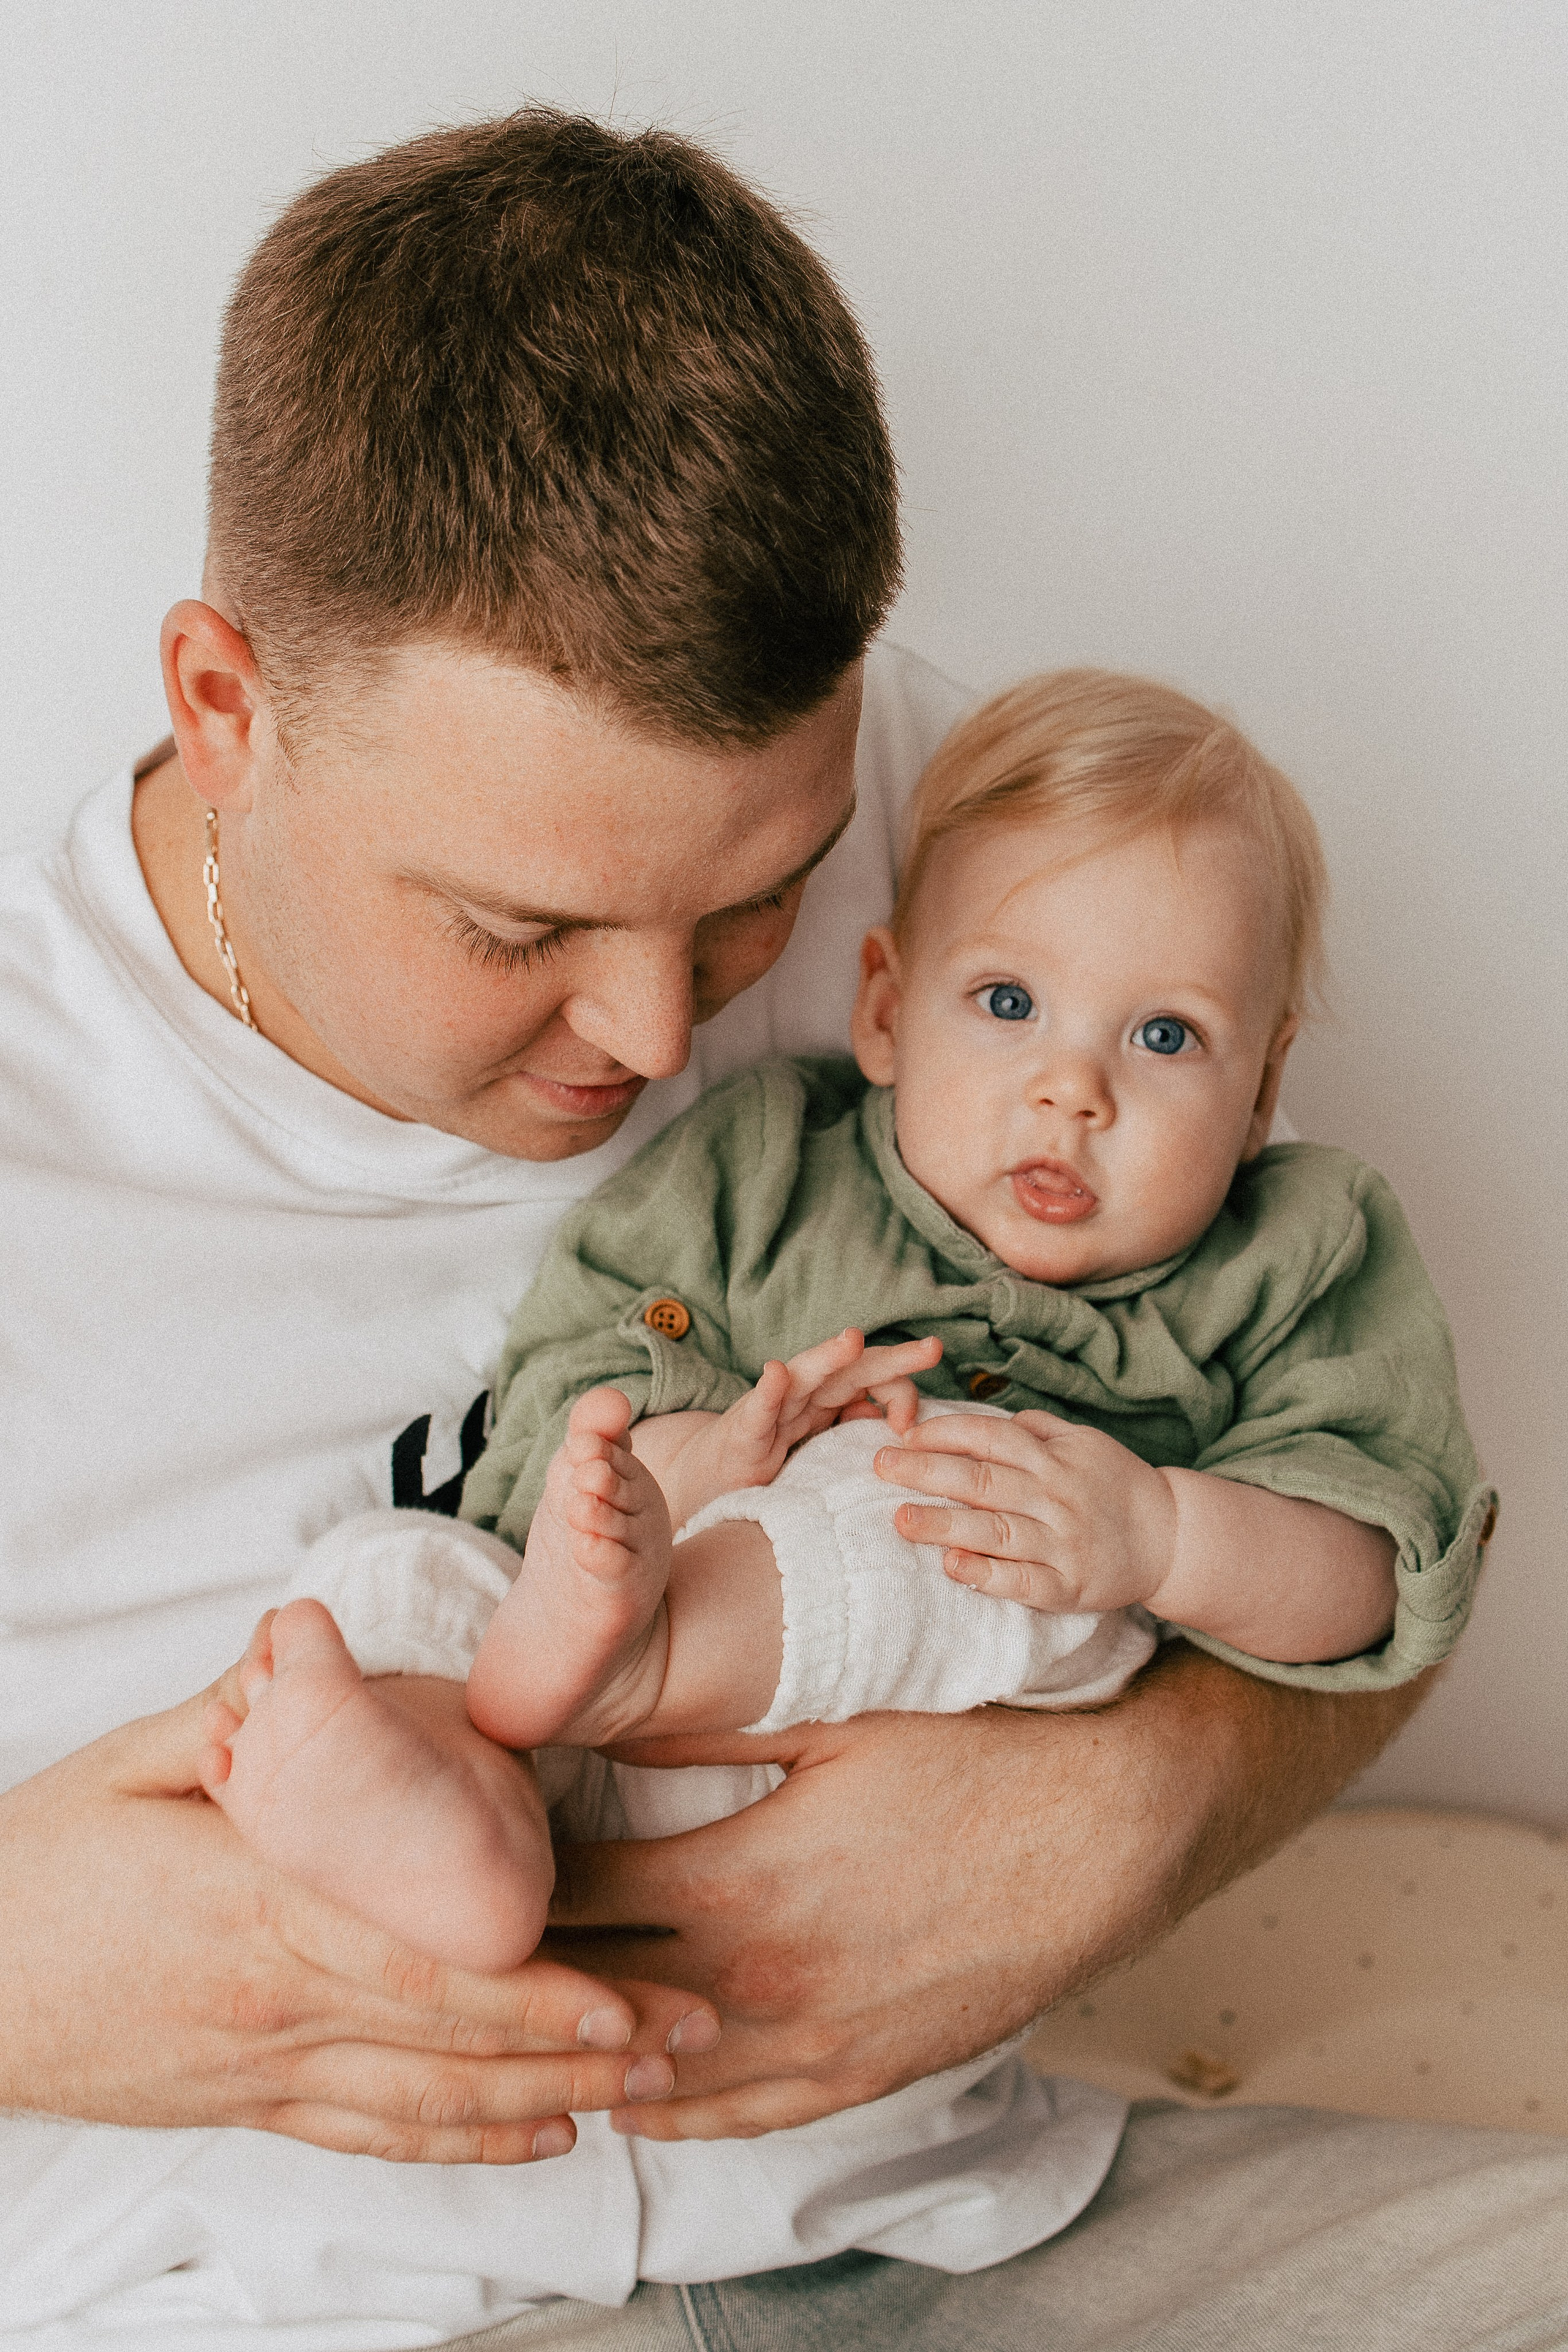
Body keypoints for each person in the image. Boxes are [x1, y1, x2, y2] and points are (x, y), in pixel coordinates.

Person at [1, 106, 1562, 2352]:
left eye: (751, 901)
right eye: (518, 923)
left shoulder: (962, 860)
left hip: (979, 2220)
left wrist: (1143, 1805)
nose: (648, 1035)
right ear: (227, 710)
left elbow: (1377, 1477)